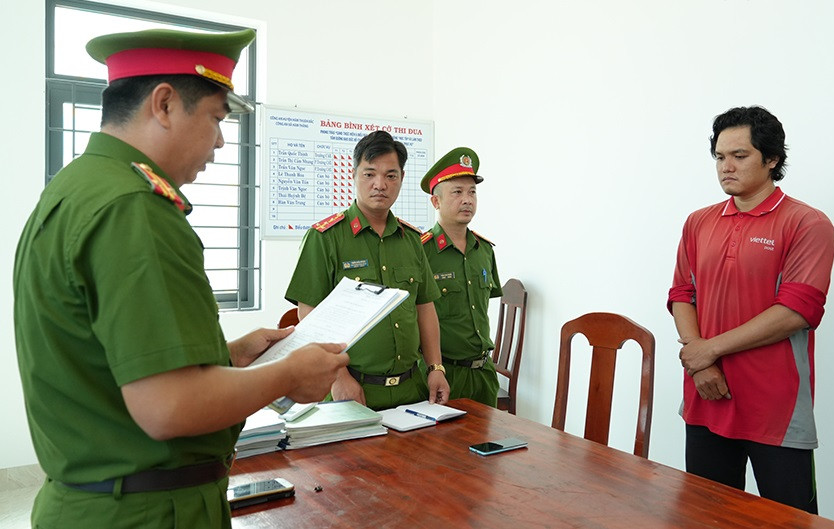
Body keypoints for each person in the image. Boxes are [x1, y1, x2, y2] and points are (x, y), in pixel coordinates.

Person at [13, 28, 349, 529]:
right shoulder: (135, 210)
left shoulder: (76, 188)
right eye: (216, 118)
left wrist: (229, 358)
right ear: (165, 104)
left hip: (96, 502)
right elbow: (168, 409)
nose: (219, 139)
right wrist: (287, 374)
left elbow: (113, 361)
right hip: (148, 513)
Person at [667, 106, 834, 514]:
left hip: (775, 411)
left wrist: (708, 350)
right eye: (720, 157)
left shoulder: (807, 223)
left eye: (739, 156)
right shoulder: (698, 222)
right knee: (706, 518)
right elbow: (681, 294)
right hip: (707, 398)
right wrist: (700, 362)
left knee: (790, 521)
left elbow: (796, 311)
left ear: (772, 158)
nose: (726, 167)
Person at [285, 130, 449, 410]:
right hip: (353, 390)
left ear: (401, 179)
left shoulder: (411, 239)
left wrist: (436, 367)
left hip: (412, 391)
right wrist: (338, 377)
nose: (380, 184)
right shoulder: (325, 238)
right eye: (369, 174)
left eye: (390, 175)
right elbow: (308, 315)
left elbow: (424, 307)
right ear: (353, 174)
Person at [419, 147, 502, 406]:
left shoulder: (484, 250)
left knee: (490, 445)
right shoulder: (421, 251)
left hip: (483, 375)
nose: (467, 200)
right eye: (457, 192)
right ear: (436, 201)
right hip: (443, 375)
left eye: (472, 192)